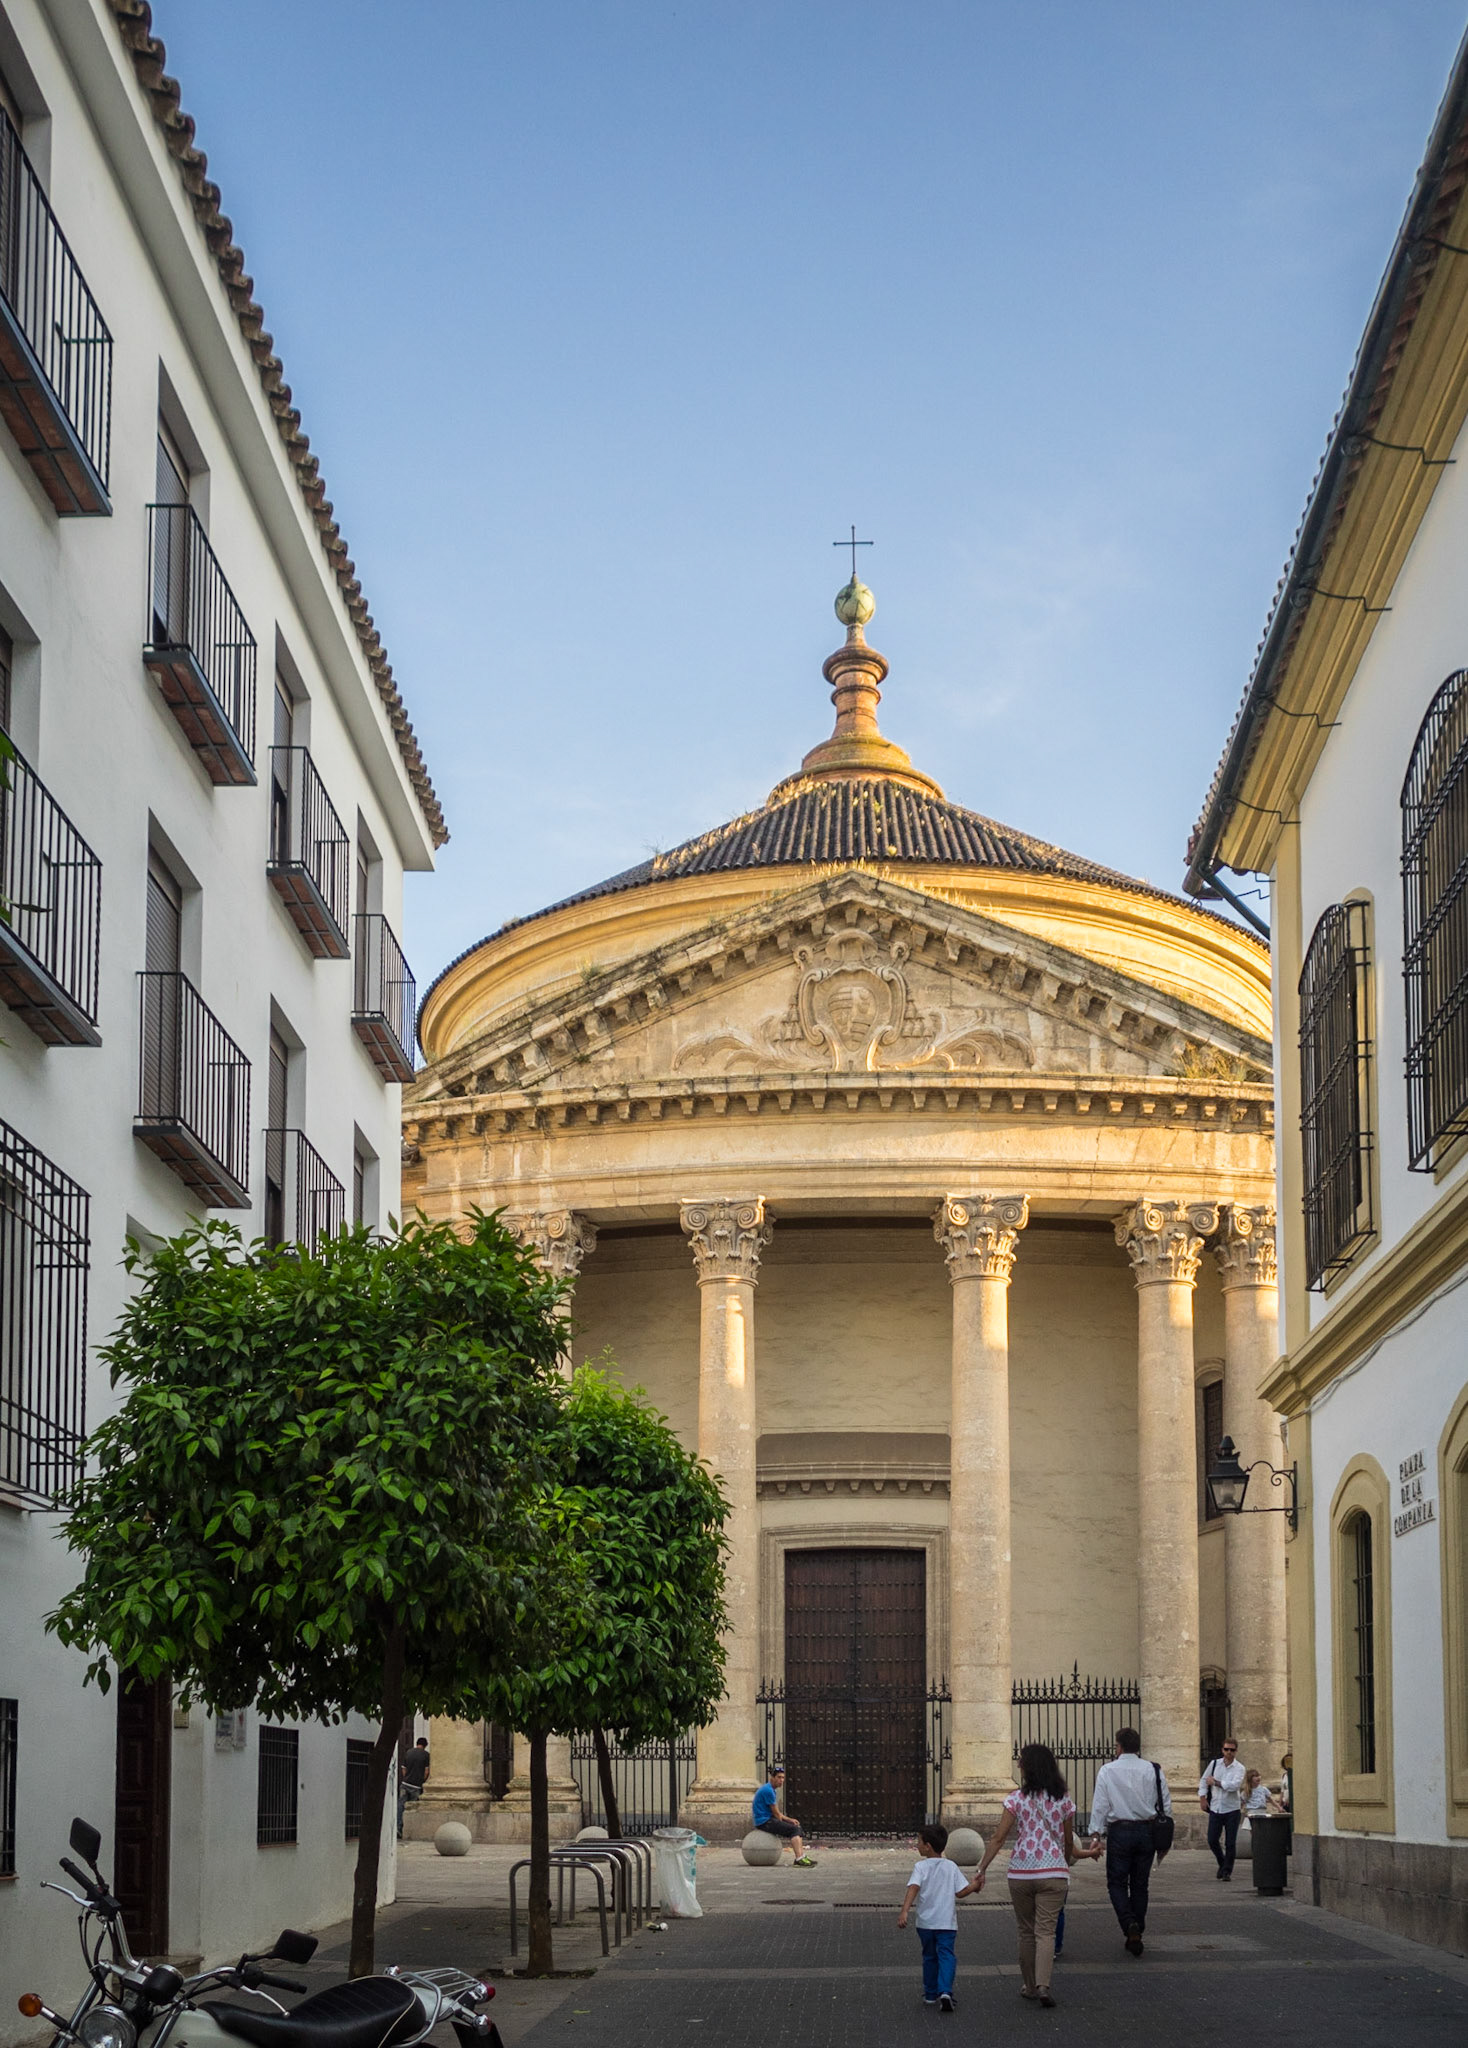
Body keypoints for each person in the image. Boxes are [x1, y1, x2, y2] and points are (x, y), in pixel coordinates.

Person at [975, 1742, 1100, 2009]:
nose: (1018, 1765)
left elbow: (998, 1838)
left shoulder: (1015, 1799)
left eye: (1021, 1761)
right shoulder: (1063, 1799)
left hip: (1021, 1871)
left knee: (1025, 1931)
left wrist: (981, 1868)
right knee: (1046, 1932)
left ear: (1028, 1767)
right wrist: (1067, 1861)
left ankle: (1029, 1986)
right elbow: (1068, 1842)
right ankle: (1044, 1985)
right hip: (1053, 1872)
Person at [1086, 1727, 1171, 1957]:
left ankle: (1128, 1923)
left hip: (1120, 1832)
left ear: (1119, 1746)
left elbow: (1101, 1804)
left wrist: (1096, 1835)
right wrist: (1164, 1841)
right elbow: (1165, 1804)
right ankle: (1138, 1927)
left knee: (1116, 1882)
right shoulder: (1153, 1770)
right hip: (1147, 1831)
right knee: (1140, 1884)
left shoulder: (1108, 1770)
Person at [898, 1822, 975, 2011]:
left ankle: (931, 1994)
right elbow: (961, 1892)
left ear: (928, 1846)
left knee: (929, 1957)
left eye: (919, 1841)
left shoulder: (920, 1867)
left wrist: (905, 1910)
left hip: (925, 1923)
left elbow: (913, 1888)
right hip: (946, 1923)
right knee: (946, 1955)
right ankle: (946, 1991)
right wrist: (975, 1885)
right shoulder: (951, 1867)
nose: (917, 1845)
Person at [1198, 1737, 1245, 1880]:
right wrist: (1202, 1797)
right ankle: (1222, 1862)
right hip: (1216, 1807)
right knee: (1212, 1839)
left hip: (1232, 1808)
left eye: (1232, 1750)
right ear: (1222, 1750)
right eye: (1226, 1749)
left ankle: (1226, 1871)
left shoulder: (1240, 1768)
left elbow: (1234, 1786)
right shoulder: (1214, 1764)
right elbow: (1204, 1780)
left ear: (1236, 1751)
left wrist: (1217, 1783)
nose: (1229, 1752)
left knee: (1230, 1842)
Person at [751, 1765, 816, 1866]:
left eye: (783, 1778)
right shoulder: (768, 1791)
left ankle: (801, 1856)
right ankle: (799, 1859)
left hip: (767, 1819)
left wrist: (790, 1820)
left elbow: (777, 1813)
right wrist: (787, 1822)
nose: (781, 1780)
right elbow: (777, 1814)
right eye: (779, 1777)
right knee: (794, 1830)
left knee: (796, 1827)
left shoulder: (771, 1789)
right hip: (764, 1822)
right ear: (772, 1778)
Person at [397, 1735, 430, 1839]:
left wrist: (406, 1778)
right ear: (425, 1745)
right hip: (416, 1786)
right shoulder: (426, 1755)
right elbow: (426, 1771)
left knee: (400, 1806)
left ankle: (398, 1827)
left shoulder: (408, 1752)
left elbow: (403, 1769)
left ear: (417, 1743)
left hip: (405, 1784)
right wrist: (422, 1781)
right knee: (413, 1808)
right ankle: (410, 1830)